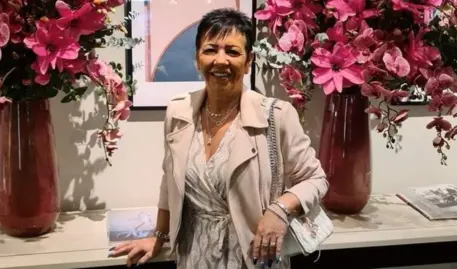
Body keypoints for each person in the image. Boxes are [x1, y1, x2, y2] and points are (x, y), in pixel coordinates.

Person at [109, 8, 329, 269]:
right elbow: (169, 181)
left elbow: (315, 179)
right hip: (194, 254)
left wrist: (279, 210)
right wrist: (158, 236)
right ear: (197, 58)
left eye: (232, 52)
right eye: (210, 50)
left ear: (248, 61)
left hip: (254, 255)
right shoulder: (179, 112)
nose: (220, 60)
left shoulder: (276, 115)